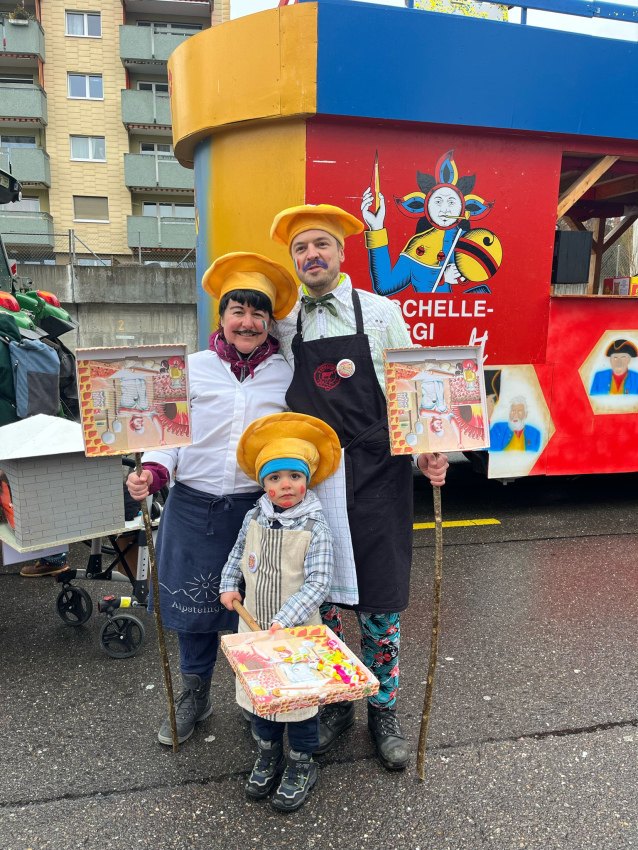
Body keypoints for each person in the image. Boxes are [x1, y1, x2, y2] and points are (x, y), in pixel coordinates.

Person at [270, 204, 448, 770]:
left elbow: (410, 388)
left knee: (379, 600)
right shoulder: (285, 322)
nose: (311, 255)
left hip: (377, 472)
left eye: (320, 244)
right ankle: (337, 701)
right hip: (316, 478)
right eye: (300, 248)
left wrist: (430, 451)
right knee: (319, 600)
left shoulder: (381, 311)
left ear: (341, 252)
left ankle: (384, 711)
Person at [125, 251, 297, 746]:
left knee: (257, 609)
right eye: (237, 311)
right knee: (194, 613)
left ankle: (254, 698)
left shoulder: (285, 374)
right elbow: (167, 435)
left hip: (257, 513)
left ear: (269, 323)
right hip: (192, 508)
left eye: (258, 313)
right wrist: (152, 472)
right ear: (221, 317)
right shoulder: (189, 369)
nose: (248, 322)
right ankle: (194, 696)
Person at [220, 412, 340, 812]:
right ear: (263, 484)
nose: (284, 485)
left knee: (299, 702)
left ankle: (301, 762)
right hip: (253, 629)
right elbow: (238, 553)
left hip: (296, 633)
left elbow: (318, 583)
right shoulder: (254, 516)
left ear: (307, 480)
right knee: (264, 698)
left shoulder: (315, 526)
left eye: (293, 476)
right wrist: (228, 585)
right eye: (274, 477)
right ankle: (268, 753)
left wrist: (284, 620)